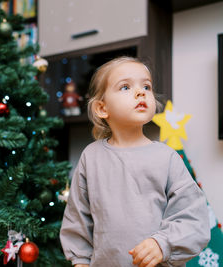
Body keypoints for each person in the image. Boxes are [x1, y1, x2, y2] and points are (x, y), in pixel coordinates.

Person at [59, 56, 210, 267]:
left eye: (146, 86)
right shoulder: (90, 158)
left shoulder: (166, 158)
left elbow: (194, 218)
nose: (141, 92)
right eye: (125, 87)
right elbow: (78, 220)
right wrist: (80, 262)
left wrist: (162, 244)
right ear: (102, 109)